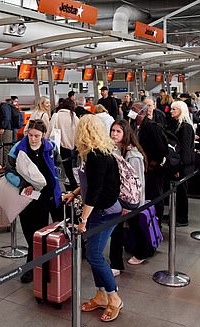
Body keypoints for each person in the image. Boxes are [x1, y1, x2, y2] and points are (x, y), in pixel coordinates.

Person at [63, 115, 123, 322]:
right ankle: (100, 295)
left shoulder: (98, 156)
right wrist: (75, 193)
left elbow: (96, 191)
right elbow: (91, 183)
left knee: (95, 255)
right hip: (103, 210)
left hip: (104, 211)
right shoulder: (96, 153)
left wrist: (83, 221)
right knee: (93, 254)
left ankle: (114, 298)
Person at [6, 119, 62, 283]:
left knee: (39, 233)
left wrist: (54, 186)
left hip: (45, 197)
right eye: (30, 135)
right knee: (29, 232)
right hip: (25, 196)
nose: (33, 139)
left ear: (43, 135)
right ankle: (36, 266)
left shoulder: (51, 147)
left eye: (37, 136)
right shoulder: (18, 148)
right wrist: (24, 184)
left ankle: (33, 268)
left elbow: (57, 168)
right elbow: (9, 171)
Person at [108, 120, 147, 274]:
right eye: (113, 130)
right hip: (120, 198)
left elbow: (137, 183)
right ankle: (143, 250)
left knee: (120, 230)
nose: (114, 134)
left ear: (126, 134)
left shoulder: (133, 155)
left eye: (118, 131)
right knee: (132, 227)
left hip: (130, 201)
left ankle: (116, 265)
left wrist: (130, 204)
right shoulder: (114, 150)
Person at [129, 101, 168, 221]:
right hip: (140, 167)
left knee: (155, 195)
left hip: (152, 169)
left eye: (134, 109)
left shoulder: (152, 127)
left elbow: (161, 149)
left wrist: (152, 165)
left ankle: (157, 221)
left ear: (142, 112)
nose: (131, 111)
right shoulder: (133, 126)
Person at [167, 101, 195, 226]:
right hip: (178, 163)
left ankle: (182, 217)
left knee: (182, 192)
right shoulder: (177, 124)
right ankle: (175, 214)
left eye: (174, 109)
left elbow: (185, 150)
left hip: (184, 165)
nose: (171, 111)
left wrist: (179, 167)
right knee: (176, 191)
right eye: (171, 109)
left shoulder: (185, 127)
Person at [49, 99, 80, 191]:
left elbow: (50, 131)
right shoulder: (74, 117)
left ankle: (62, 189)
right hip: (74, 147)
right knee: (73, 171)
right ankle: (74, 188)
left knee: (62, 170)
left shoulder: (56, 115)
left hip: (60, 147)